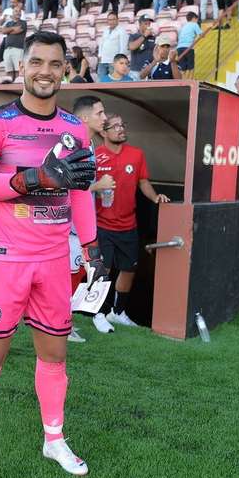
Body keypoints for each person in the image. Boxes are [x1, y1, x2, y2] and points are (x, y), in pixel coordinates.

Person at [0, 31, 102, 478]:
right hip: (5, 261)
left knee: (55, 355)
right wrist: (36, 176)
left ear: (65, 71)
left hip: (55, 261)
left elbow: (79, 193)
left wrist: (93, 248)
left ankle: (53, 440)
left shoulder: (76, 130)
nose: (45, 71)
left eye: (55, 64)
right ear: (22, 67)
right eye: (37, 62)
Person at [92, 113, 170, 330]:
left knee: (128, 269)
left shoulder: (136, 154)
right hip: (102, 224)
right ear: (103, 132)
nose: (121, 129)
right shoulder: (95, 156)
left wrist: (155, 197)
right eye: (115, 126)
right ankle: (99, 313)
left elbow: (143, 182)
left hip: (128, 225)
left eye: (122, 125)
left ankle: (118, 312)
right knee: (103, 270)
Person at [96, 12, 129, 79]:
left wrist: (119, 62)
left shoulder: (122, 31)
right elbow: (101, 43)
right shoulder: (105, 30)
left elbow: (123, 48)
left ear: (117, 20)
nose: (111, 21)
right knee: (101, 81)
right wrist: (100, 55)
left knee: (113, 81)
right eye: (109, 20)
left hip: (113, 62)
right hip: (103, 60)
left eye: (113, 19)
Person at [2, 7, 28, 83]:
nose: (18, 13)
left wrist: (8, 31)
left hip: (18, 49)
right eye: (16, 11)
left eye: (19, 11)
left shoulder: (23, 22)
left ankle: (18, 86)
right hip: (7, 50)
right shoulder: (8, 23)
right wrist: (13, 28)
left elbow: (18, 31)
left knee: (18, 71)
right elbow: (3, 31)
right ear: (12, 13)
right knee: (8, 71)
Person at [176, 12, 202, 79]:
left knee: (182, 68)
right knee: (191, 67)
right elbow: (201, 35)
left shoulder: (183, 26)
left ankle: (183, 82)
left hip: (179, 48)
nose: (197, 21)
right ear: (193, 18)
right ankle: (190, 81)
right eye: (196, 19)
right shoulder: (194, 24)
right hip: (188, 47)